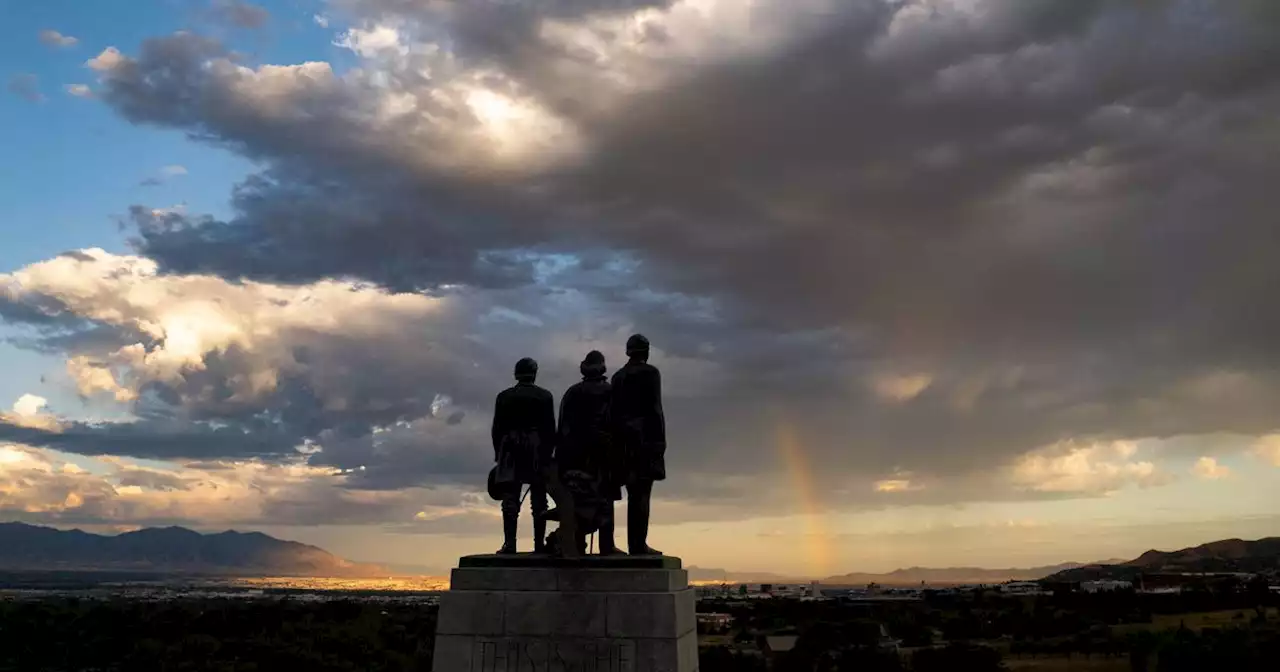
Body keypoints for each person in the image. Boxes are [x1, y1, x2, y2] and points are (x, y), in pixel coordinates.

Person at [556, 350, 623, 555]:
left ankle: (577, 542)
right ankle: (607, 545)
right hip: (604, 451)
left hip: (577, 453)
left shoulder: (573, 392)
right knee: (605, 498)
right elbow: (618, 423)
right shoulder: (611, 392)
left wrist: (563, 456)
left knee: (579, 497)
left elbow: (563, 427)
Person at [491, 357, 556, 554]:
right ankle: (539, 545)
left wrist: (499, 454)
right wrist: (548, 453)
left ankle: (510, 544)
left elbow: (497, 428)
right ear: (534, 373)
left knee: (510, 499)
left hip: (510, 448)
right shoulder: (544, 396)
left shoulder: (504, 396)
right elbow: (550, 428)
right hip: (536, 448)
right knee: (539, 499)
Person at [610, 334, 666, 556]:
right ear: (646, 351)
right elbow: (655, 409)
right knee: (641, 494)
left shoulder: (617, 377)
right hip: (644, 439)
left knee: (629, 493)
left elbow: (612, 413)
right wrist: (660, 442)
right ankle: (637, 545)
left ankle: (628, 544)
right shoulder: (650, 373)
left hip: (621, 441)